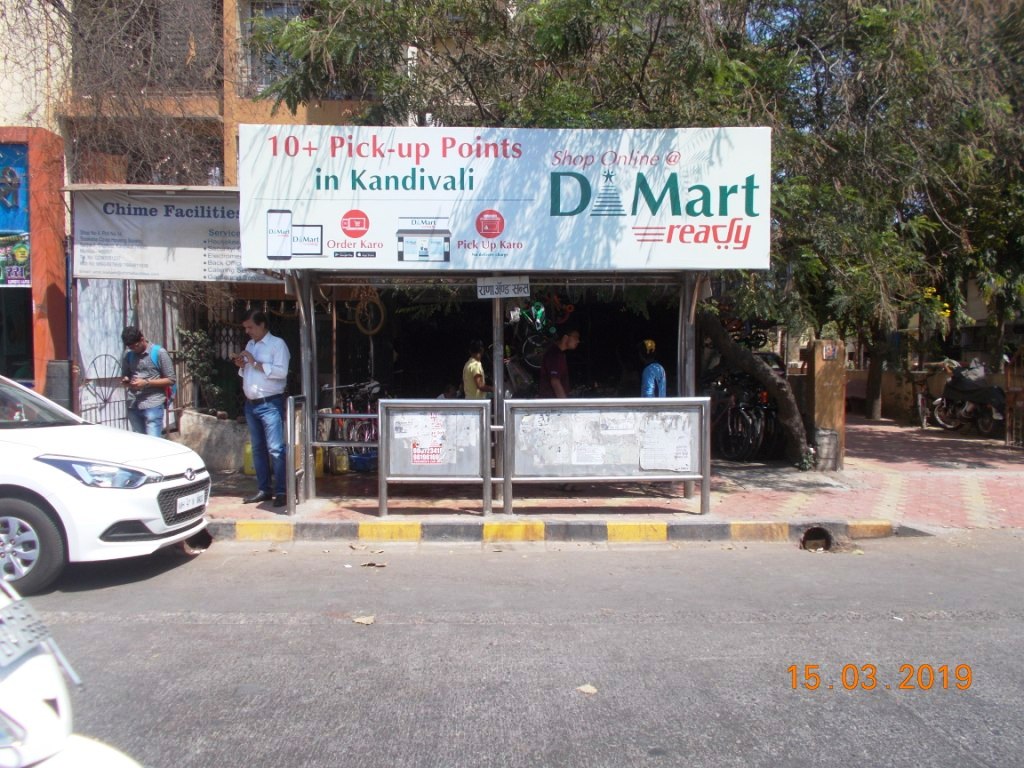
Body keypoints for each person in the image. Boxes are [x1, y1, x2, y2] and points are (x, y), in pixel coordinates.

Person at [233, 309, 291, 508]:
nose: (248, 331)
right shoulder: (250, 344)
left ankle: (282, 490)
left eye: (250, 327)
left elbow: (281, 372)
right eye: (246, 328)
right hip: (252, 404)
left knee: (275, 448)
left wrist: (255, 362)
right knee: (258, 449)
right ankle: (264, 489)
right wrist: (242, 364)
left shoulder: (277, 344)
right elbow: (248, 372)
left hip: (270, 402)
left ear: (262, 325)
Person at [120, 326, 175, 437]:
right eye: (130, 347)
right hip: (133, 404)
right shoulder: (128, 354)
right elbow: (126, 374)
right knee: (141, 443)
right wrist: (126, 380)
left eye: (135, 346)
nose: (133, 350)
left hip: (153, 404)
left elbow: (171, 379)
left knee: (153, 444)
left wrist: (146, 383)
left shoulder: (159, 353)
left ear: (142, 339)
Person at [537, 328, 581, 398]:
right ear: (565, 337)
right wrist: (564, 405)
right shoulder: (555, 354)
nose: (578, 341)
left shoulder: (559, 353)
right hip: (552, 403)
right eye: (576, 337)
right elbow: (555, 381)